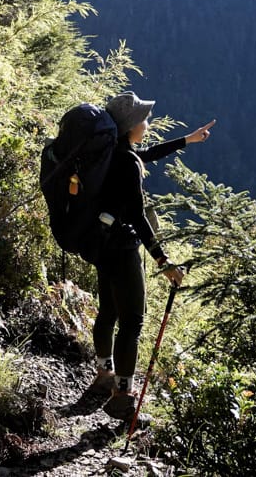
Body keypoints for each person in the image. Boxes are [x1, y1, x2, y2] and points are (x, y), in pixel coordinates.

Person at [89, 90, 216, 420]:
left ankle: (104, 373)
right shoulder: (126, 162)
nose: (147, 122)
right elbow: (138, 217)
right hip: (123, 250)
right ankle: (122, 397)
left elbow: (144, 155)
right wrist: (163, 261)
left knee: (108, 311)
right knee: (132, 321)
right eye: (143, 118)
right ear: (131, 125)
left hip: (101, 244)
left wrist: (186, 140)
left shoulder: (111, 152)